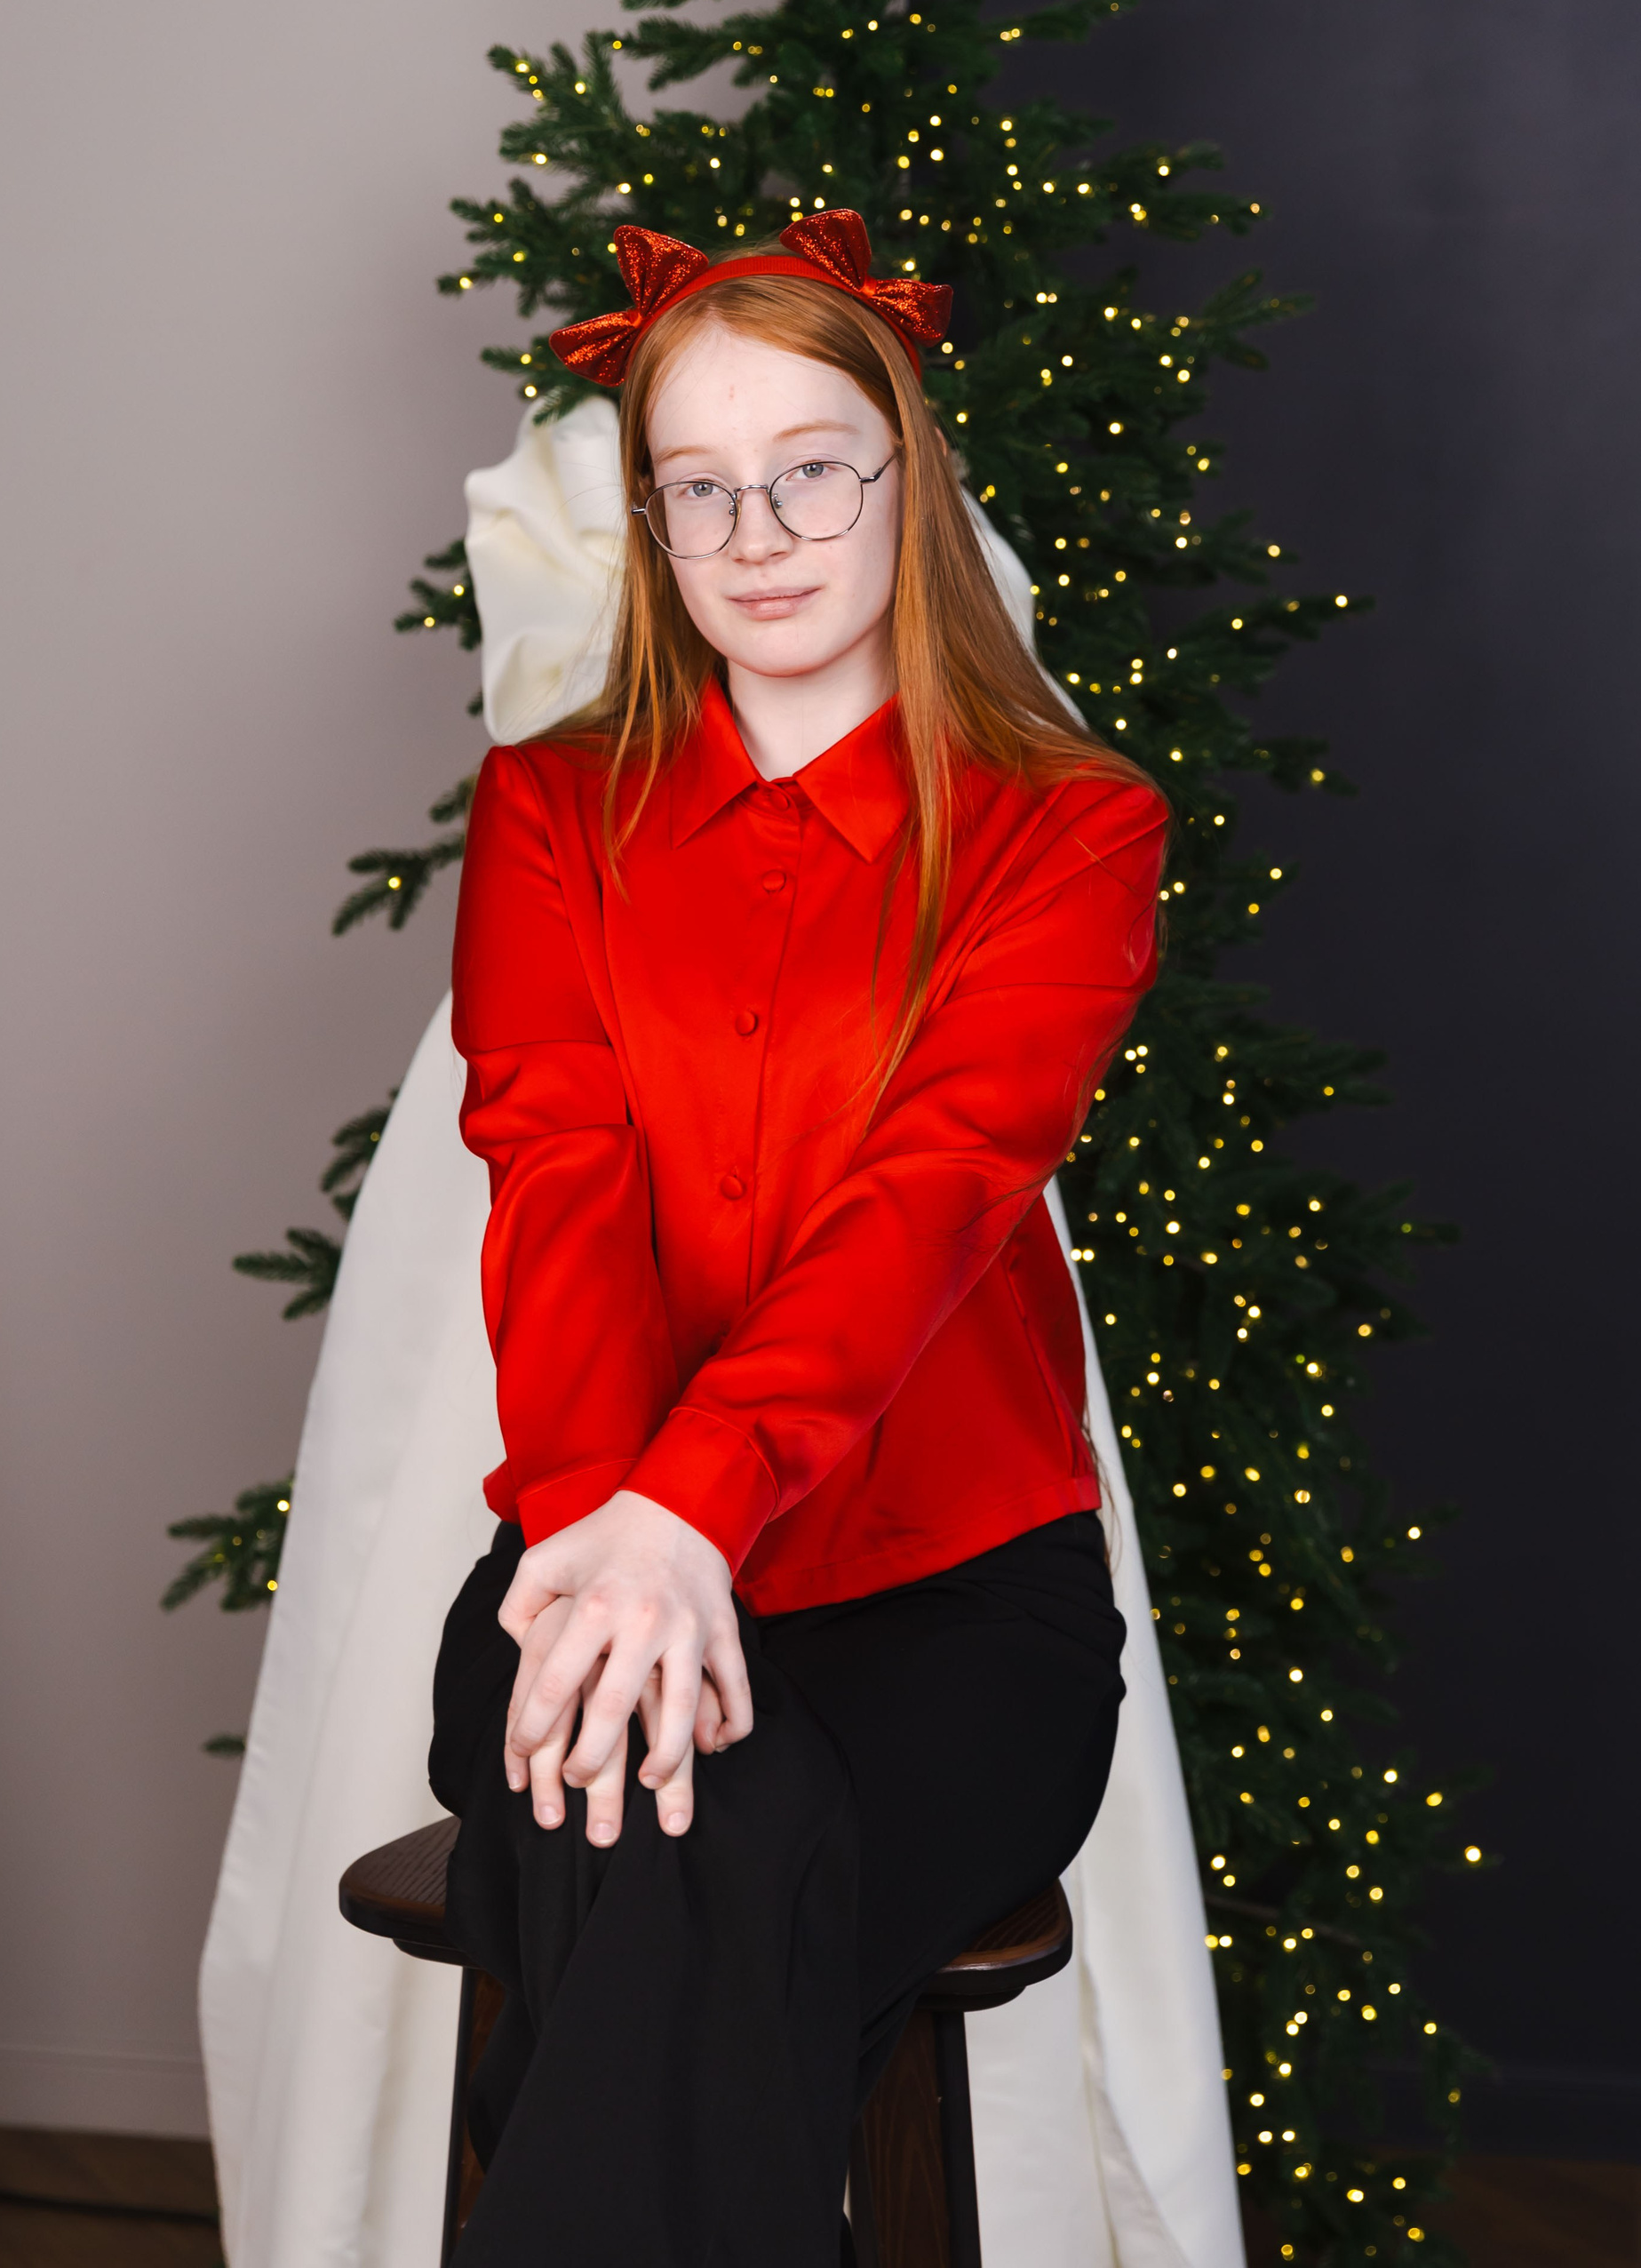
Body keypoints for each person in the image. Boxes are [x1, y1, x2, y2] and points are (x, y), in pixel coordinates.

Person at [427, 209, 1169, 2268]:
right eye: (699, 487)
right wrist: (618, 1540)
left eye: (812, 470)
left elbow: (934, 1191)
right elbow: (555, 1177)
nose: (758, 533)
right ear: (653, 526)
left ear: (906, 479)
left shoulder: (1069, 826)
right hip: (589, 1567)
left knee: (666, 1869)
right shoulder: (551, 810)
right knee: (689, 1836)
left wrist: (701, 1507)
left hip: (956, 1614)